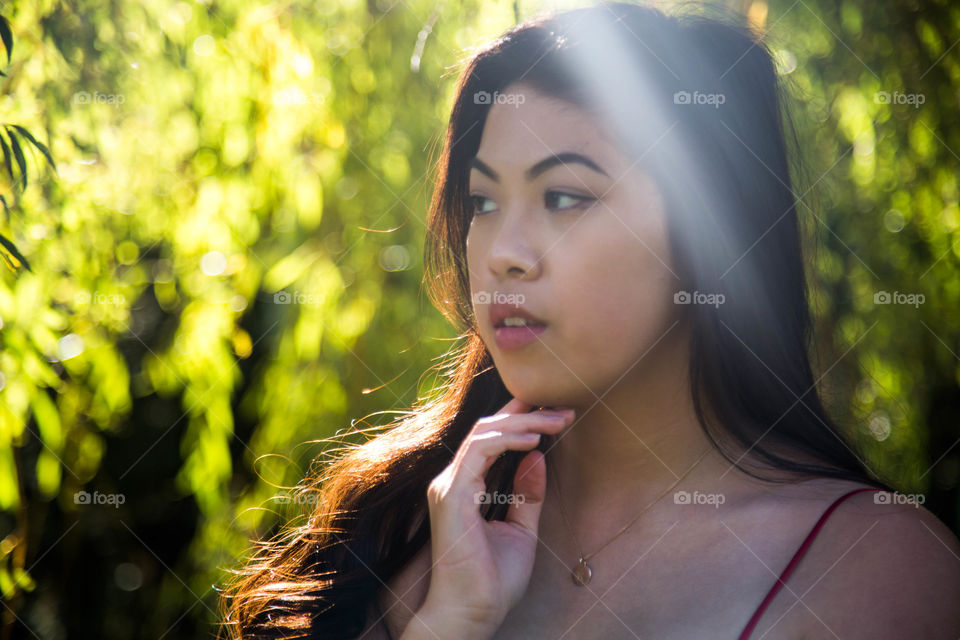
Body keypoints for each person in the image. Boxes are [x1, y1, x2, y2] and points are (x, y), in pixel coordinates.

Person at [219, 3, 960, 639]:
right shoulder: (388, 529)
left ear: (710, 231)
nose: (502, 255)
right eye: (481, 202)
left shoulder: (873, 567)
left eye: (565, 197)